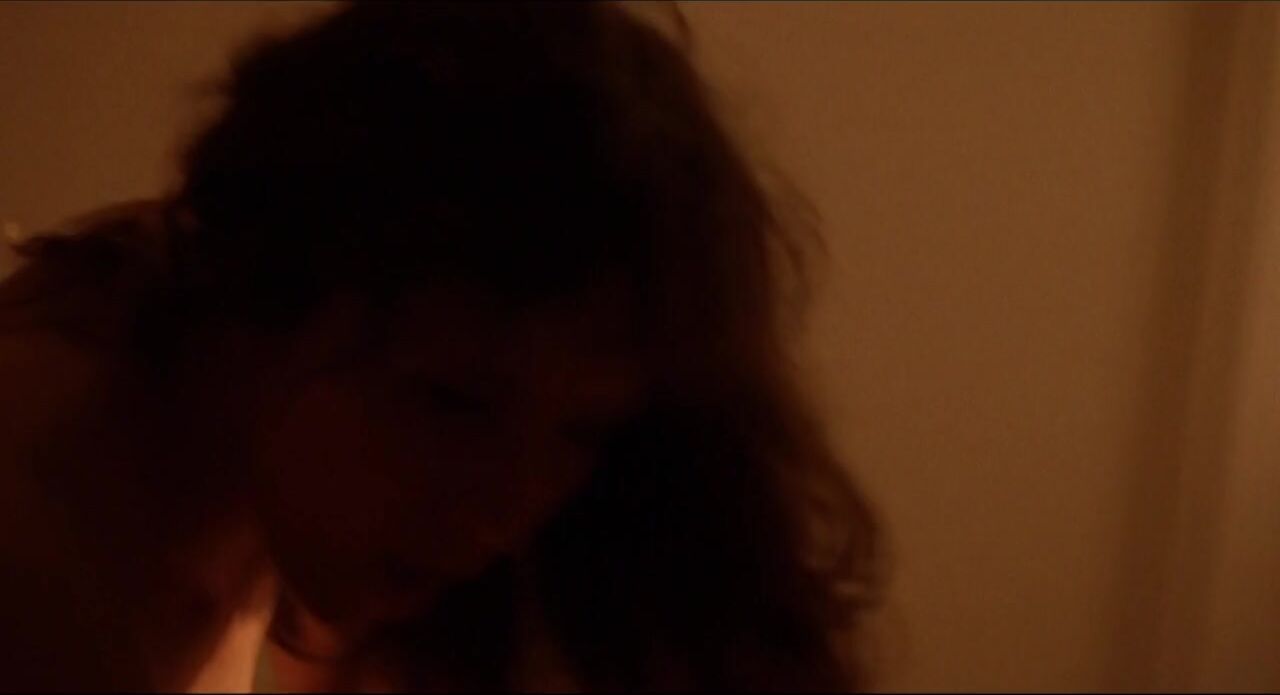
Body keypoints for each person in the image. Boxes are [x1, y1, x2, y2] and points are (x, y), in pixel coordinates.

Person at [0, 2, 880, 691]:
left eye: (580, 432)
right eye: (453, 399)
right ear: (261, 297)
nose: (505, 511)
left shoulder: (220, 416)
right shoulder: (44, 566)